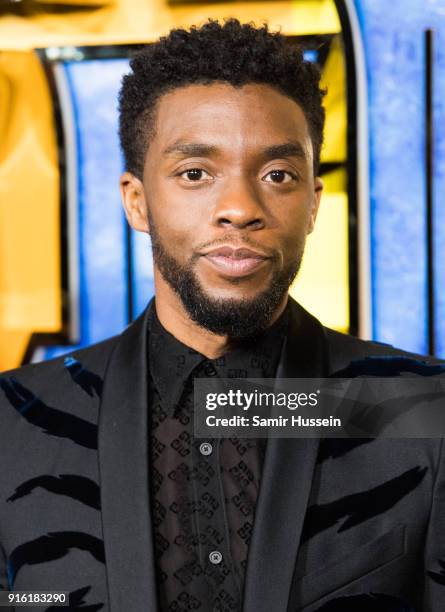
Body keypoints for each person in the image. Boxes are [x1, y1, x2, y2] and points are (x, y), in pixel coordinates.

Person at [0, 19, 444, 612]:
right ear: (137, 201)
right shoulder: (14, 424)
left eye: (277, 175)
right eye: (195, 174)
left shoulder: (422, 414)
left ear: (312, 203)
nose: (239, 208)